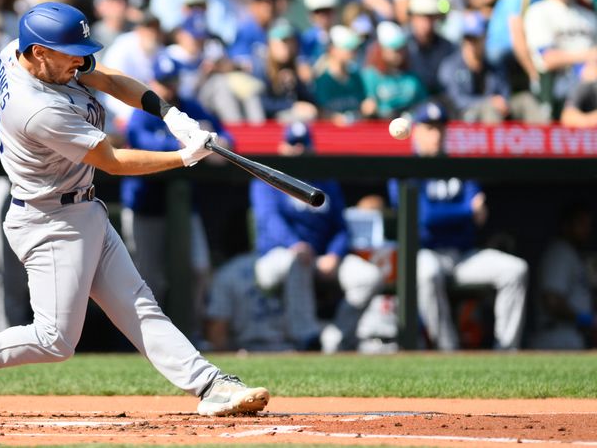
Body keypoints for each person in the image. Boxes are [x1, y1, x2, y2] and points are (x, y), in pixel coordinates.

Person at [0, 2, 269, 418]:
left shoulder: (24, 50)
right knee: (54, 340)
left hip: (83, 208)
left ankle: (209, 383)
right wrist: (183, 158)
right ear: (39, 53)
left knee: (139, 304)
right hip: (48, 221)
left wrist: (170, 114)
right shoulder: (35, 108)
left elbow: (106, 77)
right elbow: (111, 160)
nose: (79, 59)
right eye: (69, 51)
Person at [388, 102, 528, 351]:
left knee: (515, 270)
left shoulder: (459, 165)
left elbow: (480, 214)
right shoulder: (406, 169)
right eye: (429, 128)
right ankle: (448, 350)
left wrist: (456, 214)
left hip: (464, 255)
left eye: (440, 127)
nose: (436, 134)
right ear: (417, 131)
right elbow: (425, 218)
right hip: (427, 253)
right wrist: (465, 211)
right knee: (426, 273)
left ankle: (507, 350)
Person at [245, 121, 383, 352]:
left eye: (303, 144)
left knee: (369, 276)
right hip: (276, 258)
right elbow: (270, 220)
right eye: (293, 144)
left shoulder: (325, 181)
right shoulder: (268, 178)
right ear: (282, 148)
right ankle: (306, 338)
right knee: (296, 260)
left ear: (312, 148)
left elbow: (340, 226)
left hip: (319, 257)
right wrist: (294, 244)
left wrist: (334, 254)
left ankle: (333, 340)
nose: (298, 150)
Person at [120, 49, 231, 320]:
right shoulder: (143, 109)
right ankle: (146, 338)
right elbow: (140, 140)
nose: (169, 88)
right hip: (145, 205)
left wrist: (219, 145)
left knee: (198, 268)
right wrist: (182, 146)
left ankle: (190, 331)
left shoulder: (187, 106)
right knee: (149, 279)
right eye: (163, 82)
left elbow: (223, 133)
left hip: (183, 205)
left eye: (172, 81)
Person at [530, 202, 596, 350]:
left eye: (588, 224)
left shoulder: (573, 255)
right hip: (556, 336)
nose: (587, 230)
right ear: (566, 225)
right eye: (581, 224)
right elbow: (551, 301)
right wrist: (586, 320)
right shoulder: (559, 252)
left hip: (571, 336)